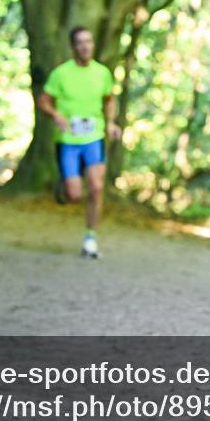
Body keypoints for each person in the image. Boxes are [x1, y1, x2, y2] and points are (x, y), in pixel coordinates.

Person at [38, 26, 122, 258]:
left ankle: (90, 238)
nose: (85, 46)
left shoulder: (102, 73)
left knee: (96, 187)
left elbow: (109, 99)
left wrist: (111, 123)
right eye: (80, 42)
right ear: (73, 47)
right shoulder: (61, 74)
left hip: (94, 137)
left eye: (89, 41)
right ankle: (66, 184)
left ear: (93, 44)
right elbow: (43, 100)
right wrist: (56, 115)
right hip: (68, 139)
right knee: (74, 195)